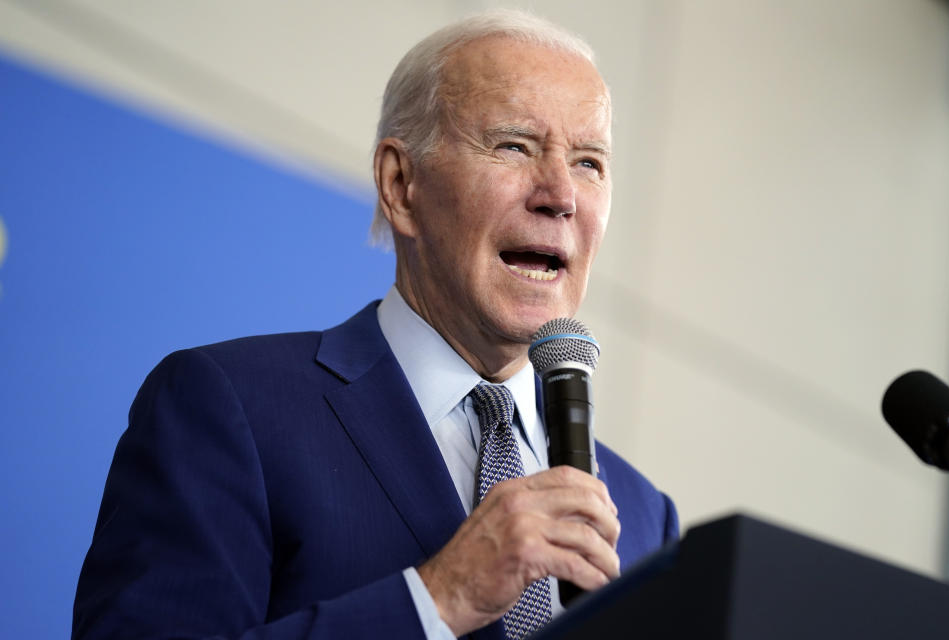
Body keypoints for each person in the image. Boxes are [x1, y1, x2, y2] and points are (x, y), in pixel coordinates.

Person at [72, 9, 677, 640]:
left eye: (589, 163)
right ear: (400, 182)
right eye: (514, 146)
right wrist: (441, 597)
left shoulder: (643, 516)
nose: (561, 195)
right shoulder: (230, 408)